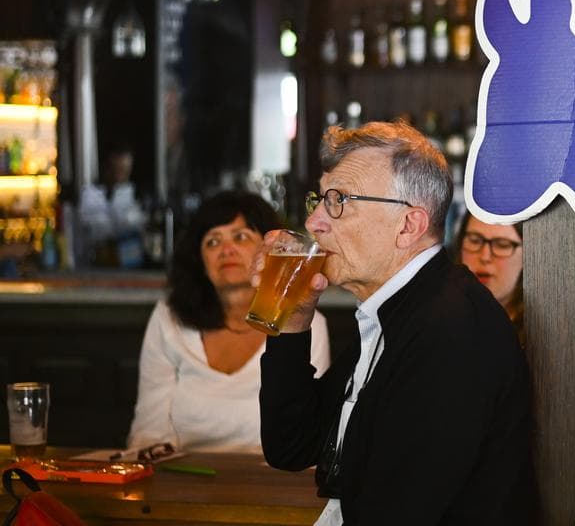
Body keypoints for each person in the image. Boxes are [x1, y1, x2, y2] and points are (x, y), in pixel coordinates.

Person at [257, 121, 534, 525]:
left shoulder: (451, 329)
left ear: (409, 226)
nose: (315, 221)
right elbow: (291, 446)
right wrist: (294, 321)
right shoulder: (395, 309)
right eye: (320, 200)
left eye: (338, 201)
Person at [128, 191, 330, 453]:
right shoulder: (170, 317)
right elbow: (148, 432)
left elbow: (308, 435)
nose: (226, 250)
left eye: (240, 237)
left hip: (271, 486)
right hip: (186, 481)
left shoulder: (304, 324)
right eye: (212, 242)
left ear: (271, 249)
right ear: (200, 262)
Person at [456, 212, 525, 346]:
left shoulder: (541, 337)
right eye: (475, 240)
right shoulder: (433, 317)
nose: (485, 256)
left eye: (502, 245)